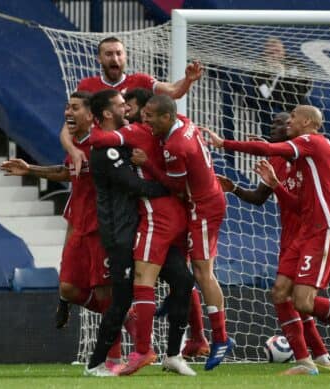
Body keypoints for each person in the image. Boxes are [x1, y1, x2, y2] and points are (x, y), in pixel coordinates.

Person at [204, 105, 330, 375]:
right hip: (301, 235)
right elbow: (295, 205)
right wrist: (272, 184)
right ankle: (306, 361)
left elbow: (271, 151)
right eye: (284, 121)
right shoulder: (297, 159)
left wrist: (223, 143)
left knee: (303, 302)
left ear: (308, 122)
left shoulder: (312, 143)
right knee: (279, 293)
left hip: (322, 230)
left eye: (292, 119)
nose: (288, 123)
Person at [0, 91, 125, 372]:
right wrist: (30, 168)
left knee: (105, 293)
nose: (68, 112)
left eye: (75, 108)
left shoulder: (105, 143)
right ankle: (122, 316)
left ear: (91, 115)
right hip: (79, 225)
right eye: (67, 107)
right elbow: (67, 173)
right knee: (68, 288)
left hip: (103, 227)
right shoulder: (78, 146)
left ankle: (112, 359)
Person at [84, 89, 195, 377]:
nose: (128, 109)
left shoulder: (130, 136)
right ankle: (96, 363)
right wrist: (174, 188)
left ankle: (173, 355)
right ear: (108, 113)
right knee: (121, 298)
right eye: (122, 105)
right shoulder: (106, 150)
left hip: (143, 227)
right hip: (121, 233)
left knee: (183, 281)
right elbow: (136, 186)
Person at [134, 95, 234, 370]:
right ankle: (188, 326)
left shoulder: (175, 146)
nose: (146, 120)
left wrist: (147, 164)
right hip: (202, 200)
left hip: (202, 208)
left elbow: (174, 186)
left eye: (151, 115)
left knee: (203, 272)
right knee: (185, 267)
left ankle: (221, 338)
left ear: (167, 117)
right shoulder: (184, 122)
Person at [62, 36, 203, 175]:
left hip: (136, 157)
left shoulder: (140, 80)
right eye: (109, 54)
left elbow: (173, 91)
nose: (115, 58)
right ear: (99, 58)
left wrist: (188, 80)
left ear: (125, 56)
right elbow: (70, 124)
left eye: (119, 53)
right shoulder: (87, 86)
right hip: (101, 156)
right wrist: (73, 150)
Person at [246, 37, 312, 137]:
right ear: (265, 54)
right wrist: (278, 75)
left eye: (277, 51)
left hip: (296, 104)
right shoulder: (259, 68)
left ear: (283, 51)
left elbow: (307, 83)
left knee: (309, 111)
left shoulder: (295, 63)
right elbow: (266, 96)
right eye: (271, 53)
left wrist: (284, 75)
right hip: (273, 107)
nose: (275, 55)